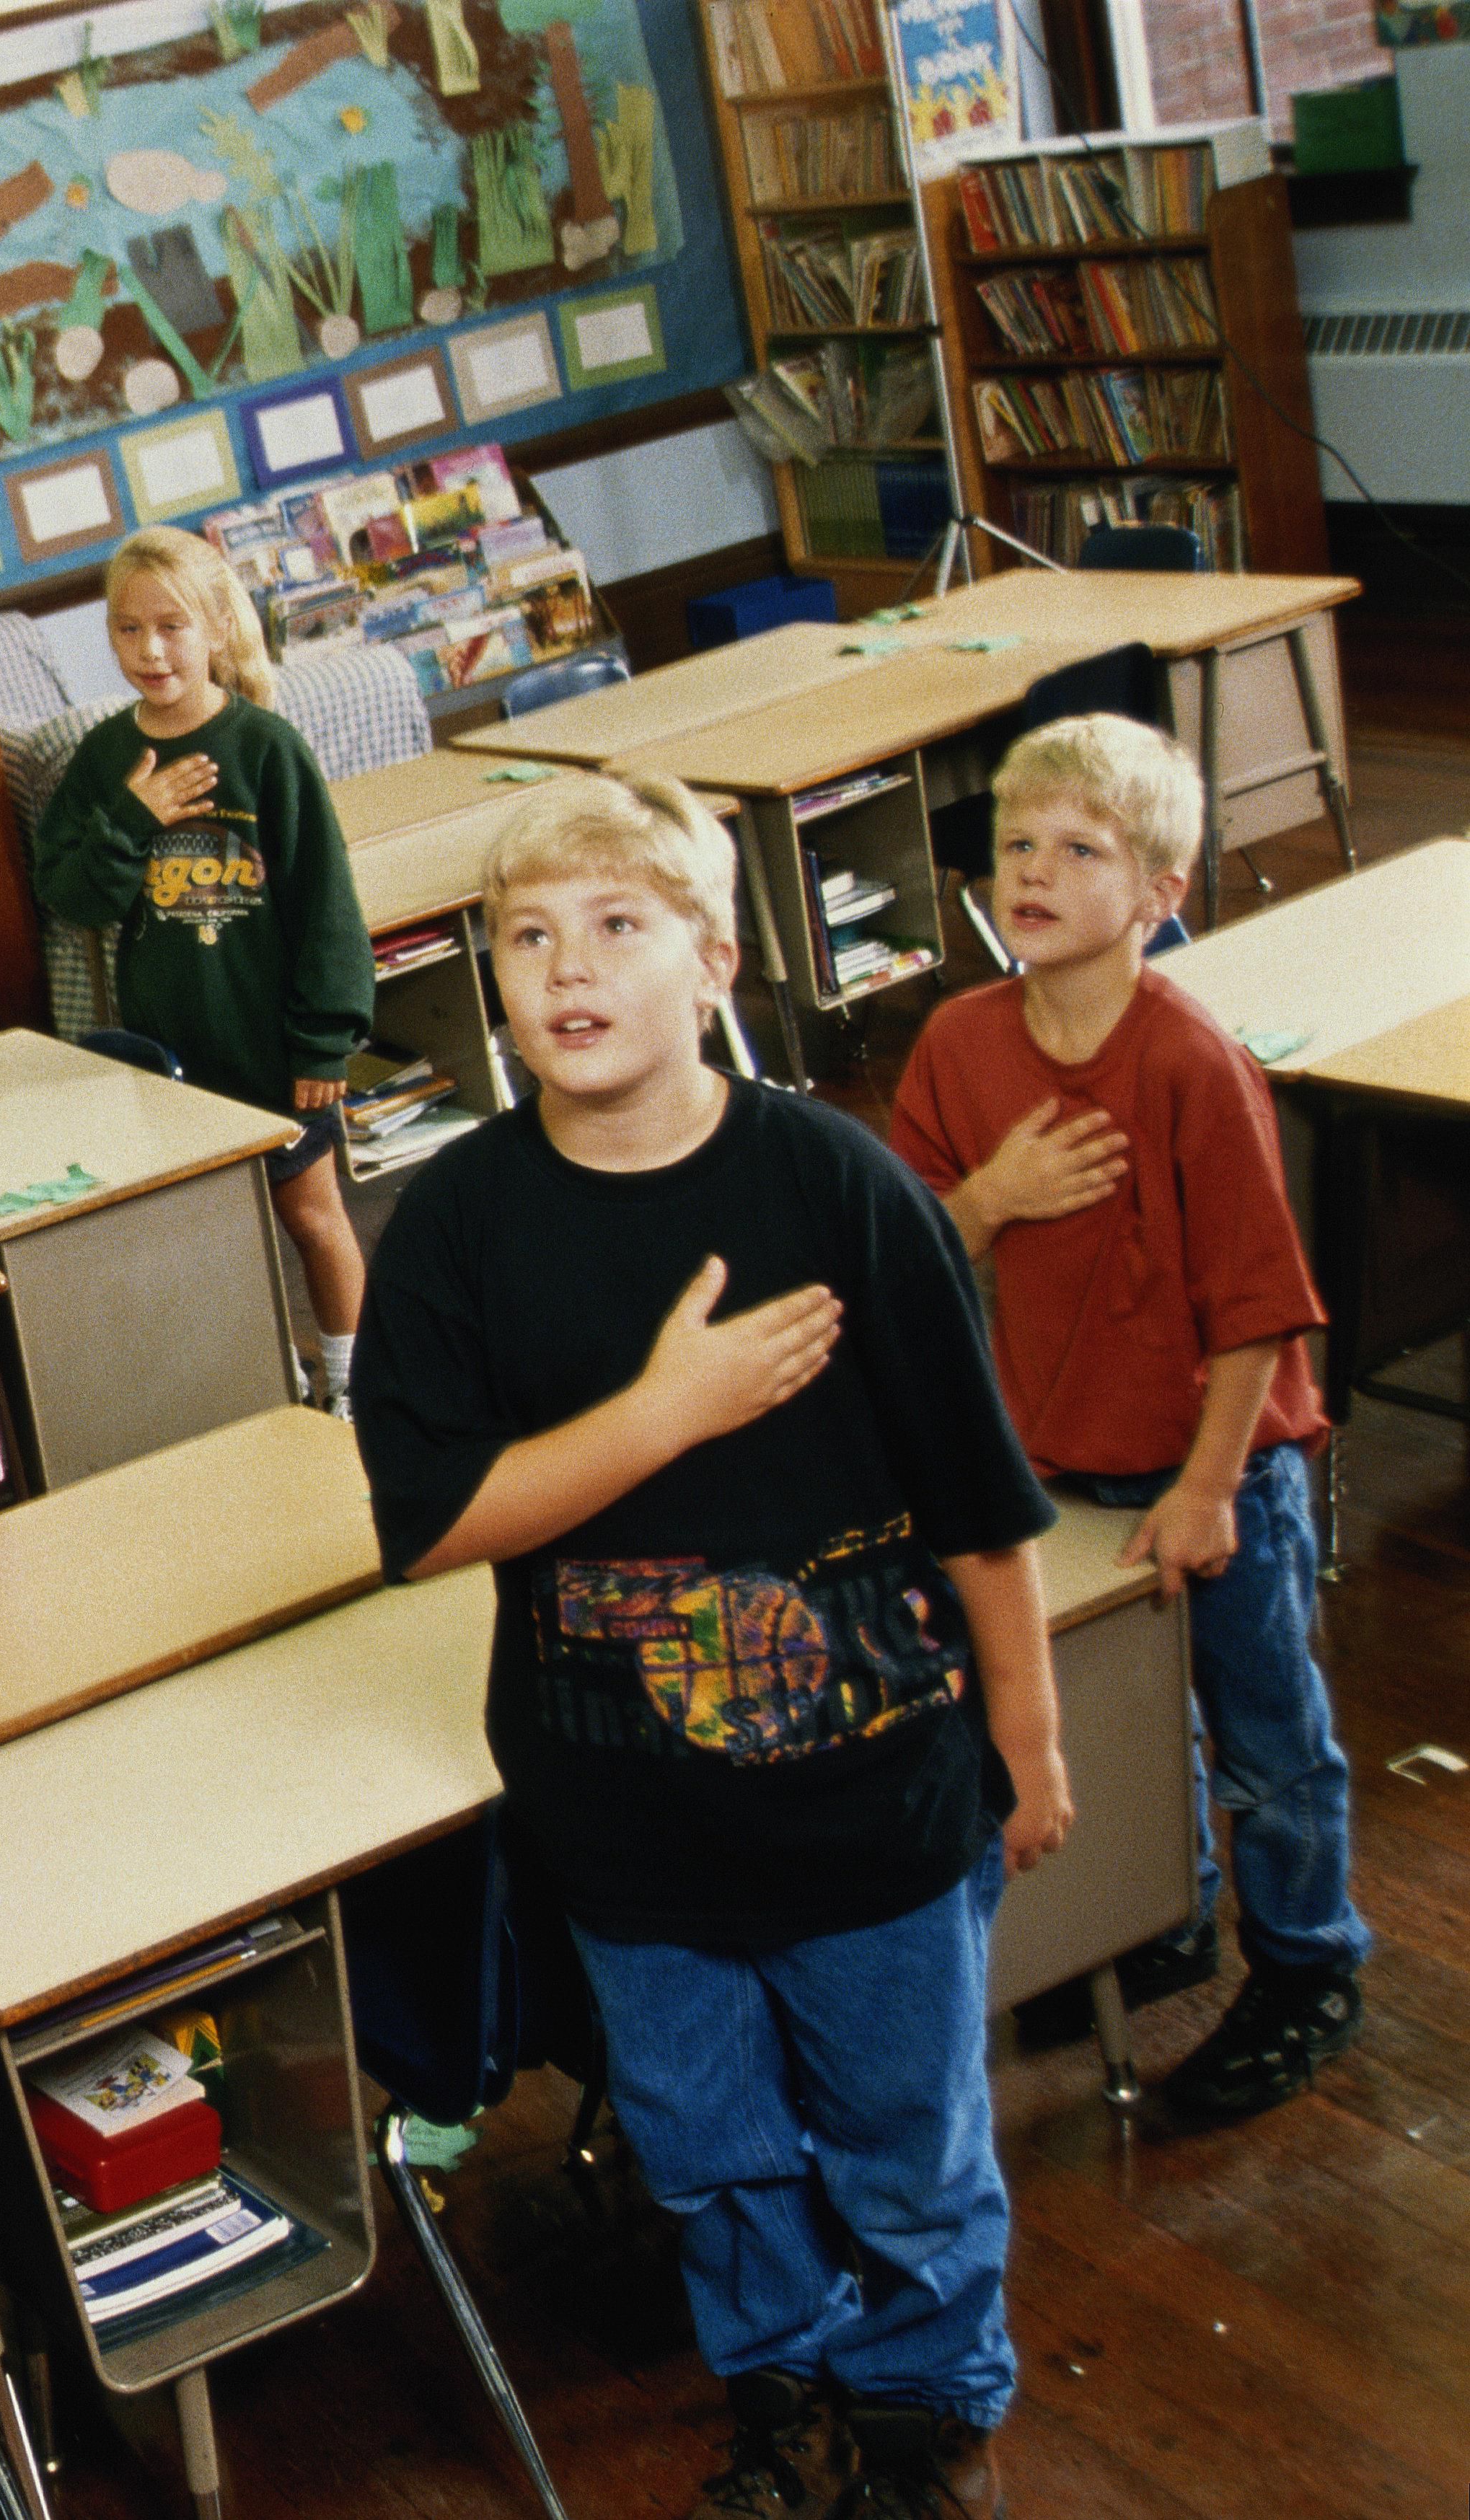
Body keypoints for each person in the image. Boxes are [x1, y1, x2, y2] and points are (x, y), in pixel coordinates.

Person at [350, 774, 1069, 2520]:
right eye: (525, 937)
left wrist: (1031, 1746)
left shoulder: (834, 1183)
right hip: (626, 1827)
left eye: (615, 925)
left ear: (713, 958)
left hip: (874, 1805)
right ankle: (778, 2381)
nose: (563, 968)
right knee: (707, 2148)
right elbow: (433, 1521)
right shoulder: (449, 1222)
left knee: (908, 2146)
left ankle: (916, 2407)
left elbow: (978, 1503)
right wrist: (668, 1410)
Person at [889, 713, 1368, 2124]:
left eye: (1076, 848)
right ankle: (1164, 1909)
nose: (1030, 870)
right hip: (1052, 1460)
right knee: (1117, 1717)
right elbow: (902, 1244)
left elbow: (1257, 1308)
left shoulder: (1184, 1061)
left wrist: (1211, 1487)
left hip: (1213, 1467)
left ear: (1158, 892)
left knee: (1265, 1733)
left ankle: (1303, 1959)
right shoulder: (958, 1041)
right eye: (1012, 845)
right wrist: (989, 1200)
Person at [32, 527, 374, 1413]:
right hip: (166, 1061)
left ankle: (356, 1382)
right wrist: (131, 818)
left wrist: (322, 1047)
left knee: (311, 1216)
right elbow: (72, 894)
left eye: (172, 626)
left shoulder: (266, 749)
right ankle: (273, 1380)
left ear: (218, 627)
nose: (150, 651)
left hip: (268, 1050)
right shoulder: (107, 758)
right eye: (126, 630)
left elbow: (326, 910)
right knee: (215, 1239)